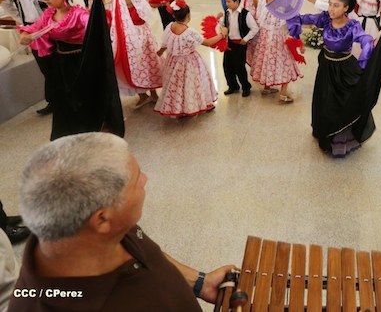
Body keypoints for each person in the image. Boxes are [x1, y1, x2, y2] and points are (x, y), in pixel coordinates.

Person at [8, 133, 237, 312]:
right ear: (102, 220)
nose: (145, 180)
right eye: (136, 180)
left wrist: (200, 283)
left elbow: (148, 256)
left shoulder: (88, 228)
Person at [288, 0, 381, 156]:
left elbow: (364, 39)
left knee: (342, 104)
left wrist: (368, 47)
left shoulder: (352, 26)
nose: (331, 9)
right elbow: (303, 18)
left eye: (336, 5)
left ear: (346, 8)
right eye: (330, 4)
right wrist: (289, 11)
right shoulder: (325, 19)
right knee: (325, 101)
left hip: (344, 69)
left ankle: (339, 139)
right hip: (326, 68)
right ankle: (324, 131)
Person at [18, 0, 91, 140]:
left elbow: (96, 35)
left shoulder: (80, 15)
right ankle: (66, 134)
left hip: (80, 62)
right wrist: (25, 34)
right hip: (60, 62)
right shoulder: (49, 14)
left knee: (80, 97)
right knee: (62, 98)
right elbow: (35, 27)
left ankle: (88, 131)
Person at [153, 0, 224, 117]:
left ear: (174, 15)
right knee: (191, 84)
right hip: (189, 62)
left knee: (177, 85)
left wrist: (159, 53)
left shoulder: (170, 26)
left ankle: (179, 108)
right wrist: (222, 35)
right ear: (188, 16)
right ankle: (195, 105)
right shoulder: (189, 32)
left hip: (173, 61)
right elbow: (207, 42)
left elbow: (164, 44)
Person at [110, 0, 162, 109]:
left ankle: (144, 95)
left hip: (134, 33)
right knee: (148, 62)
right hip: (143, 31)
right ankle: (153, 94)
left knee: (137, 64)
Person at [248, 0, 303, 103]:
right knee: (284, 63)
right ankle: (283, 95)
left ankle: (267, 88)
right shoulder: (287, 3)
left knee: (266, 60)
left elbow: (258, 12)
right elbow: (291, 24)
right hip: (278, 36)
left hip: (265, 34)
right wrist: (298, 41)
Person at [219, 0, 259, 97]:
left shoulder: (245, 14)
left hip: (240, 44)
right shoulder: (227, 12)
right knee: (227, 66)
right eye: (226, 1)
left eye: (229, 1)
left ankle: (246, 87)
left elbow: (255, 28)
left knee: (239, 67)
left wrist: (245, 39)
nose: (227, 4)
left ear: (237, 2)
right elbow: (222, 24)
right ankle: (233, 86)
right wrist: (218, 20)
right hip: (229, 43)